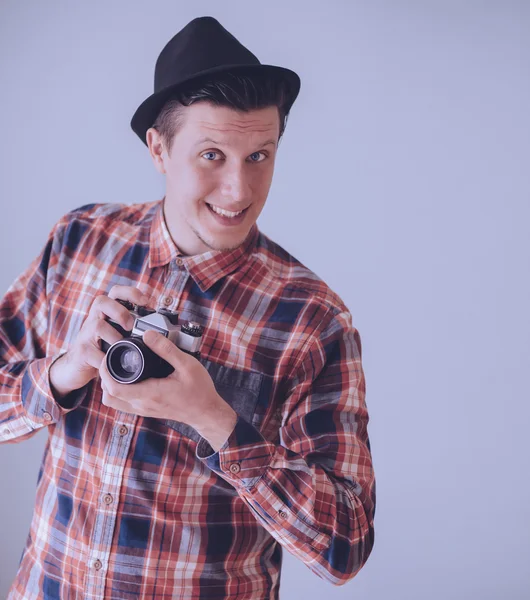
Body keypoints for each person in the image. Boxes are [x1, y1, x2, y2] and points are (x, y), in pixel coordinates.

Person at [0, 16, 376, 600]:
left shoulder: (312, 319)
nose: (239, 191)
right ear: (158, 148)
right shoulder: (78, 241)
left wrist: (216, 421)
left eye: (259, 155)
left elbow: (344, 545)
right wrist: (63, 372)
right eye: (211, 155)